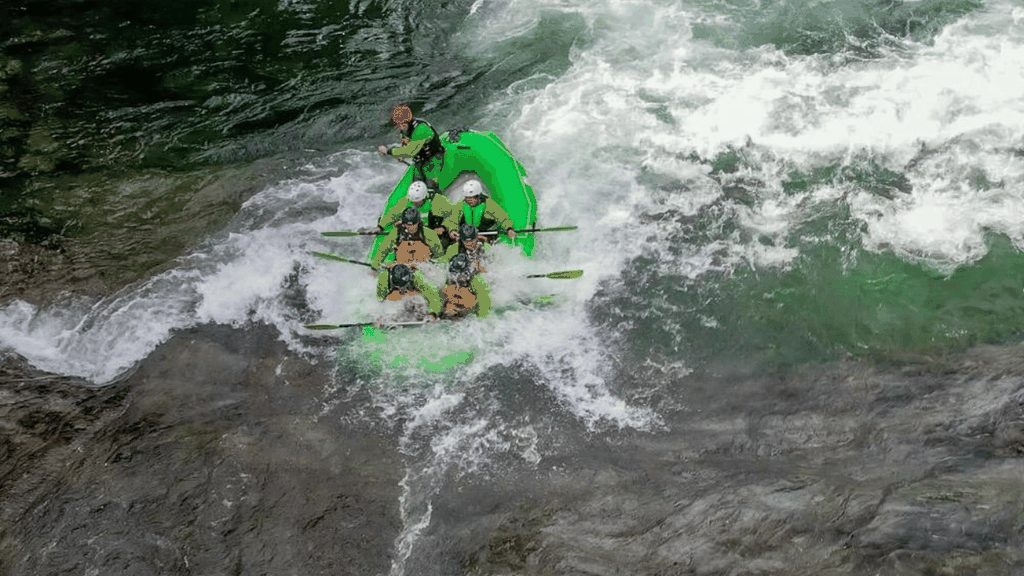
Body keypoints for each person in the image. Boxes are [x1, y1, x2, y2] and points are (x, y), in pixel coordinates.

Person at [377, 104, 446, 186]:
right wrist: (400, 155)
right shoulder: (404, 130)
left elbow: (410, 152)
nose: (399, 128)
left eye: (400, 124)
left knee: (430, 184)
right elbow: (405, 146)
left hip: (434, 157)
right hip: (420, 160)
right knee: (416, 182)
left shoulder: (421, 129)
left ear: (408, 120)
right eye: (397, 125)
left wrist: (389, 151)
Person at [370, 206, 444, 270]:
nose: (410, 228)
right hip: (401, 270)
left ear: (418, 222)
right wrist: (374, 266)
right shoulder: (397, 233)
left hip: (423, 269)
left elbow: (439, 255)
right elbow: (383, 249)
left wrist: (435, 267)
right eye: (408, 225)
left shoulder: (429, 234)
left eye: (413, 225)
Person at [448, 180, 517, 242]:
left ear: (478, 196)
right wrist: (452, 230)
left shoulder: (489, 204)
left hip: (487, 235)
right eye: (467, 198)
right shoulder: (461, 205)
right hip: (468, 237)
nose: (469, 200)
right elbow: (452, 219)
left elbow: (503, 218)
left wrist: (509, 229)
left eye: (472, 198)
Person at [375, 180, 453, 236]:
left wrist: (443, 227)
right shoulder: (406, 201)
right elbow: (393, 214)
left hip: (432, 232)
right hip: (414, 231)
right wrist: (381, 227)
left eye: (417, 201)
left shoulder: (438, 201)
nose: (414, 203)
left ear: (424, 197)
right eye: (413, 201)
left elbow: (452, 215)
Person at [376, 263, 442, 317]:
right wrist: (380, 315)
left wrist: (433, 313)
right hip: (393, 295)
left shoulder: (417, 277)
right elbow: (380, 299)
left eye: (404, 286)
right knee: (393, 295)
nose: (401, 290)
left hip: (413, 295)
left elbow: (433, 295)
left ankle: (417, 312)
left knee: (416, 296)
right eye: (398, 286)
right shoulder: (383, 278)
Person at [441, 253, 491, 318]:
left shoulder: (477, 281)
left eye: (460, 274)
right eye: (454, 273)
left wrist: (480, 319)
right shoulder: (447, 279)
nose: (456, 276)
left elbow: (484, 304)